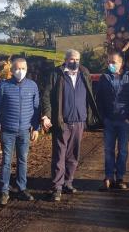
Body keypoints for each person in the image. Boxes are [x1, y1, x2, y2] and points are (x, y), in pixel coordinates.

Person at [41, 49, 101, 202]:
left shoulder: (84, 73)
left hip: (79, 120)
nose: (75, 62)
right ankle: (57, 188)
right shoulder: (57, 74)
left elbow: (90, 95)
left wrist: (89, 115)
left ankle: (68, 182)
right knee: (59, 155)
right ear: (66, 59)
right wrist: (46, 115)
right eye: (72, 59)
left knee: (73, 155)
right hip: (63, 122)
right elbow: (46, 95)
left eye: (77, 59)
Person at [0, 57, 40, 206]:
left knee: (23, 160)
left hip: (25, 131)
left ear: (27, 69)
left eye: (23, 68)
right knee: (6, 161)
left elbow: (36, 109)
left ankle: (21, 188)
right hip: (7, 131)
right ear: (11, 70)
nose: (20, 71)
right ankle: (4, 190)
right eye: (17, 68)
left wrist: (36, 128)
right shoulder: (3, 85)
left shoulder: (32, 86)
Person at [95, 51, 129, 191]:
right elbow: (99, 100)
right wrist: (103, 118)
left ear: (121, 63)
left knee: (122, 151)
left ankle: (120, 177)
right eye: (109, 62)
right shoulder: (104, 78)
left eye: (113, 62)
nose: (110, 64)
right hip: (109, 121)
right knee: (108, 150)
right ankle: (109, 177)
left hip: (124, 122)